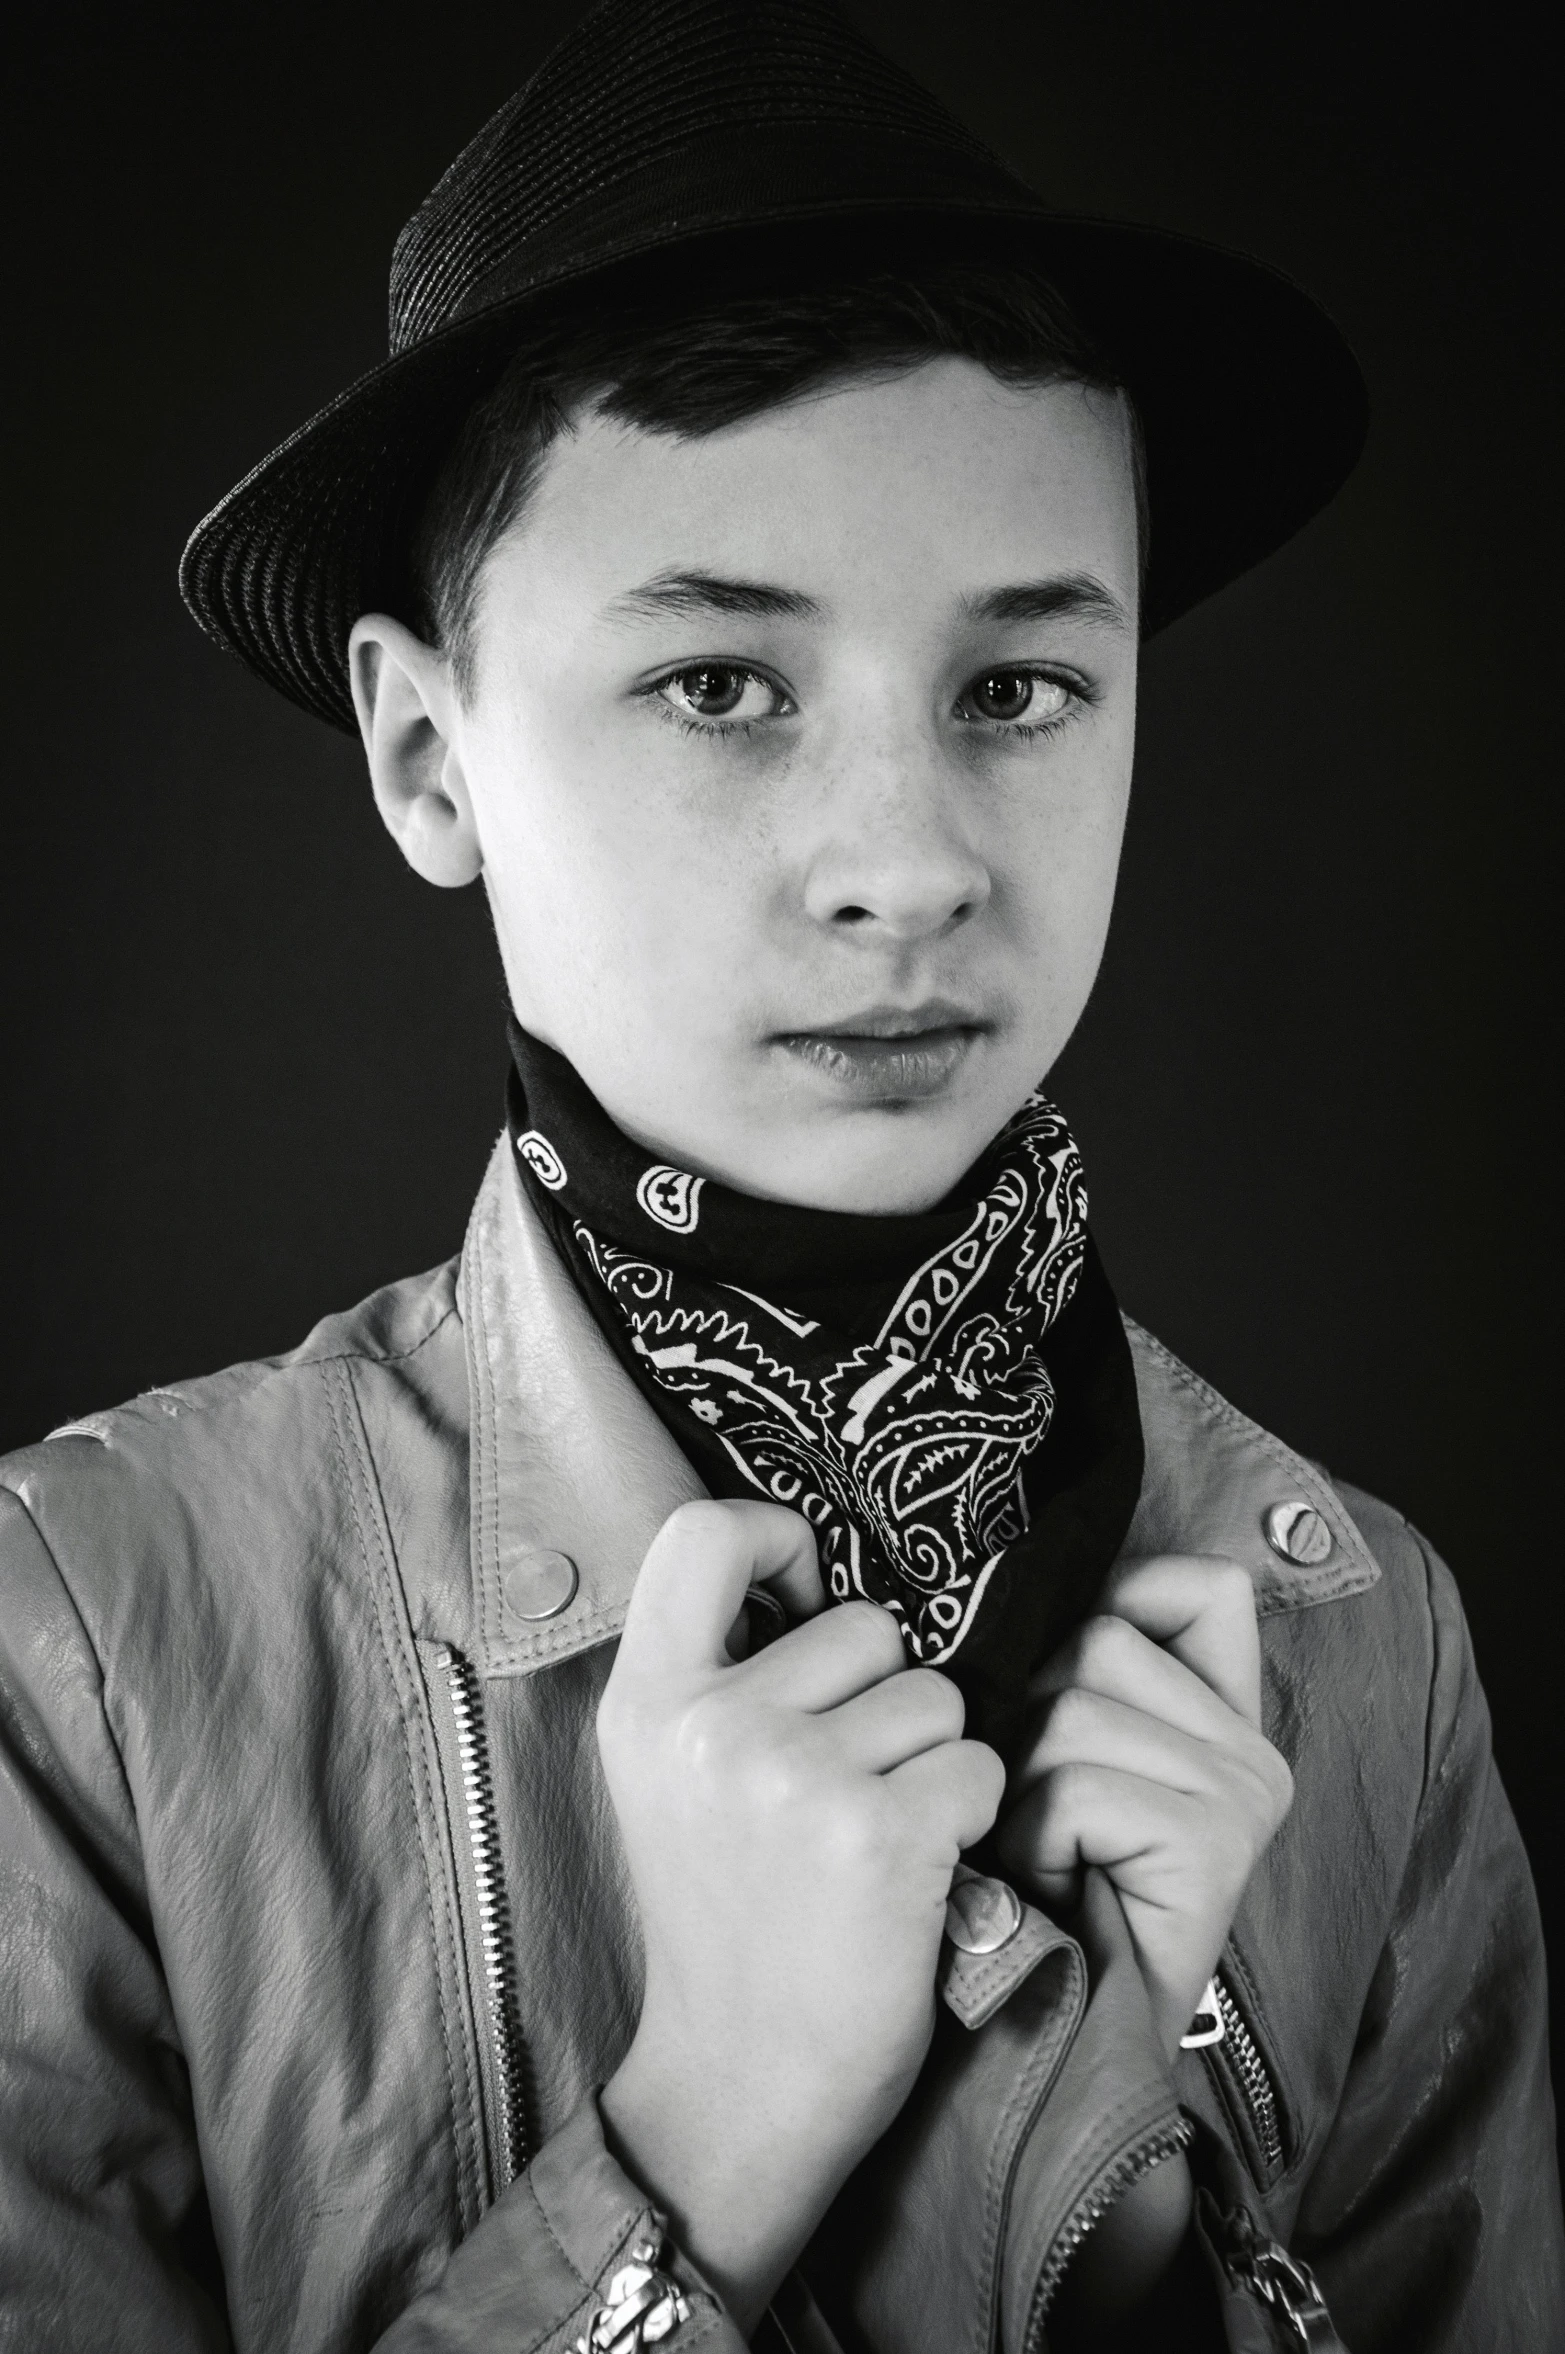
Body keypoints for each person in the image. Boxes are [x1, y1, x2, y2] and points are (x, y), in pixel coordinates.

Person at [1, 1, 1559, 2347]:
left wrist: (1156, 2187)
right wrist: (707, 2135)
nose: (904, 863)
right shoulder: (84, 1647)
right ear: (428, 756)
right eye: (722, 683)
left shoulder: (1364, 1651)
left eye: (1016, 691)